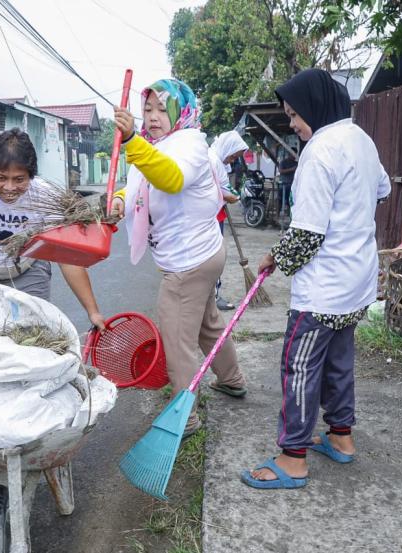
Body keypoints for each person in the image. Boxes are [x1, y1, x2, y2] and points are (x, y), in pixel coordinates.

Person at [241, 69, 390, 489]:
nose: (292, 123)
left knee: (300, 366)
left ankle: (293, 458)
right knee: (339, 361)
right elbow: (382, 190)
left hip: (322, 291)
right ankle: (341, 438)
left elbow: (306, 233)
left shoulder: (320, 151)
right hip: (357, 281)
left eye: (294, 114)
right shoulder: (362, 140)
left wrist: (275, 258)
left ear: (314, 106)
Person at [110, 79, 247, 436]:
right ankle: (232, 379)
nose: (153, 117)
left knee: (176, 338)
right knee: (207, 324)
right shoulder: (157, 144)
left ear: (181, 111)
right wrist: (120, 201)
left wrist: (130, 141)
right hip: (202, 254)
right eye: (148, 109)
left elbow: (171, 179)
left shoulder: (188, 142)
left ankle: (184, 418)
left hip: (189, 262)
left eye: (161, 109)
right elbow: (140, 185)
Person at [0, 129, 105, 330]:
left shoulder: (46, 195)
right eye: (1, 178)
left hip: (28, 272)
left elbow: (66, 259)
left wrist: (93, 311)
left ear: (31, 175)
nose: (9, 188)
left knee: (32, 338)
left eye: (19, 179)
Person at [210, 131, 248, 311]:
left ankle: (213, 296)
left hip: (217, 215)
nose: (232, 160)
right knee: (215, 257)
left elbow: (224, 188)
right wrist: (230, 197)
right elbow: (218, 190)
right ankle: (213, 297)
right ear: (227, 149)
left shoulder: (217, 160)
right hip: (212, 217)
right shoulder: (214, 161)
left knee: (217, 256)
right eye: (233, 156)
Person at [277, 150, 297, 219]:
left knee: (290, 201)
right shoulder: (283, 162)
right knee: (280, 200)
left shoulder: (296, 163)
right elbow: (281, 171)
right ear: (289, 154)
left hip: (292, 185)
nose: (294, 156)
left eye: (295, 154)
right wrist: (292, 169)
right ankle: (277, 216)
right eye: (293, 154)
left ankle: (290, 216)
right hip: (283, 184)